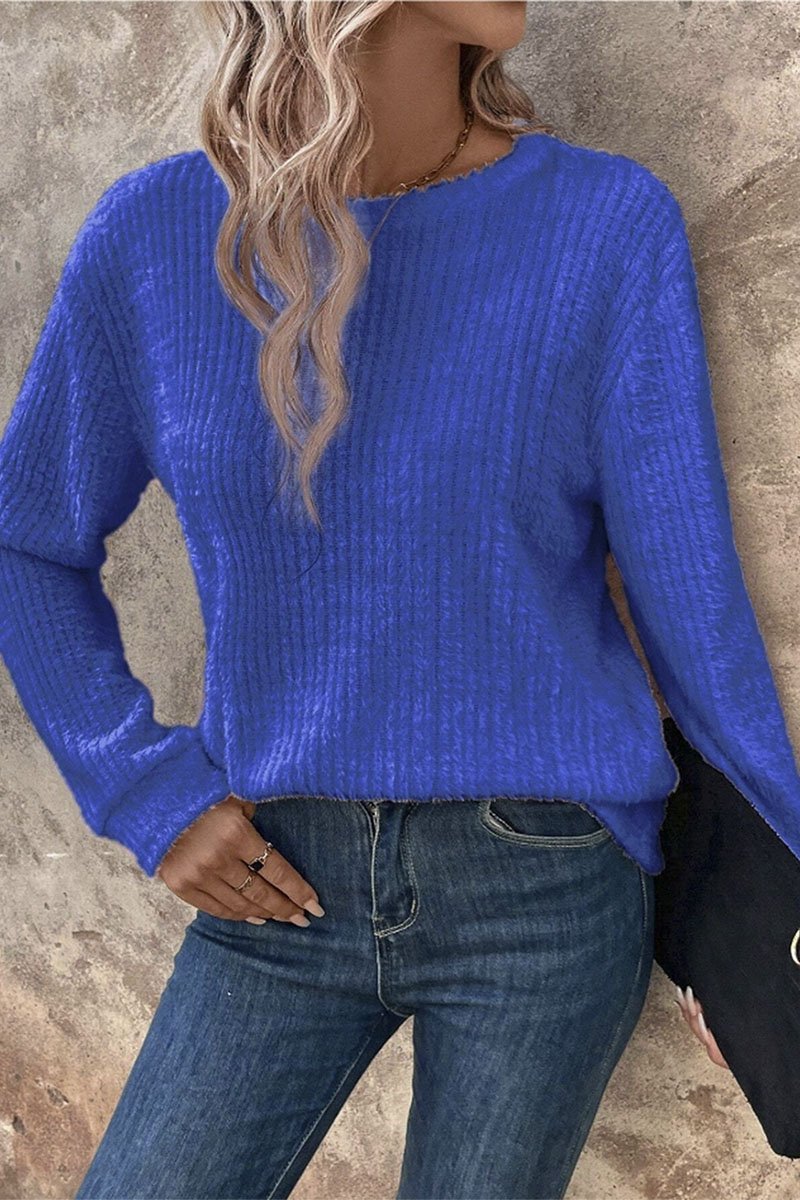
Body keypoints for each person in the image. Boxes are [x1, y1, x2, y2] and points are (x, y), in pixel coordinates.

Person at [1, 3, 798, 1197]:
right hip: (278, 881)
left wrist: (774, 894)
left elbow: (689, 596)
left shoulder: (600, 222)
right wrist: (142, 789)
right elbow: (24, 539)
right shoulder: (153, 237)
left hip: (543, 884)